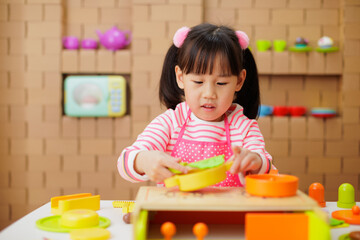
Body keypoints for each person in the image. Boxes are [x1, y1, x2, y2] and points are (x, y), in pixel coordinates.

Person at [118, 23, 273, 187]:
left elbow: (267, 168)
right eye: (198, 81)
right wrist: (144, 160)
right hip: (175, 211)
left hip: (227, 212)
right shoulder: (171, 122)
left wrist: (256, 162)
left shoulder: (245, 128)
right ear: (180, 77)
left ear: (239, 81)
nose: (209, 94)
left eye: (221, 83)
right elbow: (125, 160)